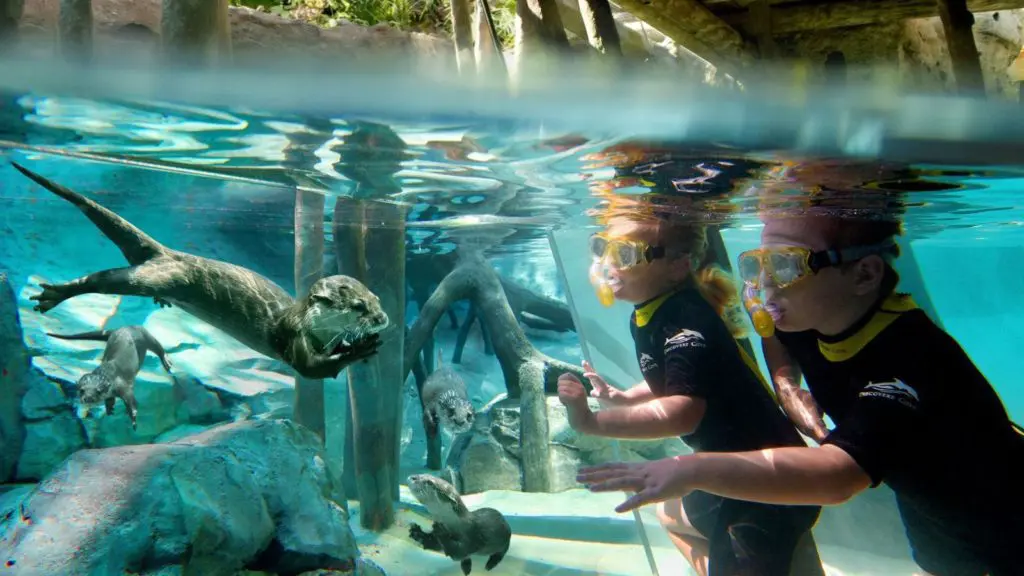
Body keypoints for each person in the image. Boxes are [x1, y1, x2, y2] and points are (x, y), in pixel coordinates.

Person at [577, 211, 1024, 576]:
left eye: (787, 266)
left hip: (1007, 521)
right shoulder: (810, 315)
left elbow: (837, 476)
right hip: (929, 508)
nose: (764, 286)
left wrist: (689, 468)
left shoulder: (909, 356)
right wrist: (786, 384)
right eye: (758, 265)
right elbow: (773, 337)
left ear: (865, 274)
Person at [557, 211, 825, 576]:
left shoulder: (684, 319)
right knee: (668, 514)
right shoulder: (650, 313)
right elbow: (683, 380)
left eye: (626, 254)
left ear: (677, 266)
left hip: (768, 481)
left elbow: (683, 412)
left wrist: (590, 421)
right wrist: (625, 398)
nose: (609, 265)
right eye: (604, 249)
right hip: (728, 472)